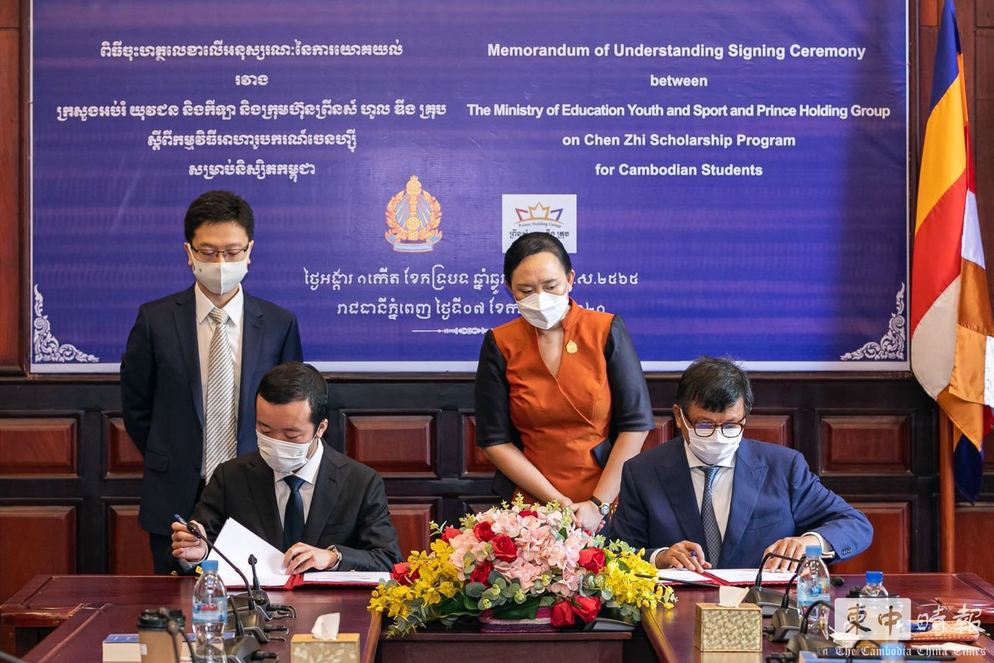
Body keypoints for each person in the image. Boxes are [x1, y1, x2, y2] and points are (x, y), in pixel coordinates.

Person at [121, 190, 303, 574]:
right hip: (176, 493)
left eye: (232, 251)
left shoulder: (278, 324)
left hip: (256, 491)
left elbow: (292, 408)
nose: (221, 262)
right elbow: (137, 407)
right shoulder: (155, 320)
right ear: (189, 252)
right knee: (175, 601)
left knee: (257, 599)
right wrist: (173, 453)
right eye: (208, 252)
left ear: (249, 251)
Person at [610, 356, 873, 571]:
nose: (718, 436)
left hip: (764, 608)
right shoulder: (643, 472)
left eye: (730, 425)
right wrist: (659, 557)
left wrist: (809, 543)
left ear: (745, 417)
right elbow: (617, 553)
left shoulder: (784, 467)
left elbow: (855, 524)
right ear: (679, 417)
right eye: (704, 425)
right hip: (677, 609)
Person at [474, 232, 654, 532]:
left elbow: (635, 425)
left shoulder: (605, 330)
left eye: (551, 286)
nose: (540, 298)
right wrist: (559, 504)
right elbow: (494, 440)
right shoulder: (501, 342)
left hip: (608, 494)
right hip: (532, 498)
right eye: (526, 290)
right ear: (509, 289)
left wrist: (597, 505)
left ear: (570, 279)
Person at [171, 362, 402, 573]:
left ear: (321, 428)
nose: (276, 442)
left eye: (291, 435)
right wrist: (197, 553)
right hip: (253, 603)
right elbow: (198, 546)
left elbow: (387, 559)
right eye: (265, 430)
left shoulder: (360, 482)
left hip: (329, 604)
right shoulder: (230, 477)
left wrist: (333, 558)